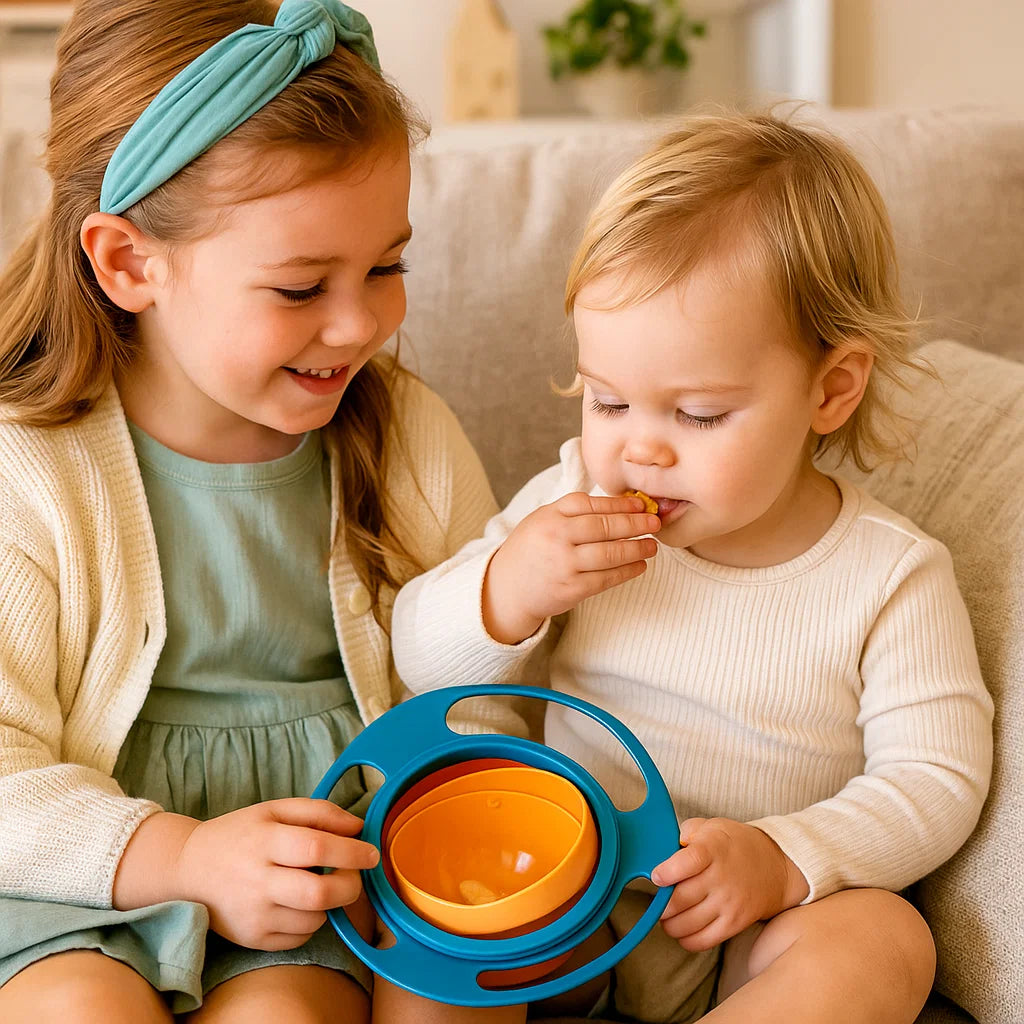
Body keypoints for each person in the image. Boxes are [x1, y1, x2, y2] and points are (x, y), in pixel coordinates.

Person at [391, 111, 995, 1024]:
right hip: (567, 893)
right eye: (608, 400)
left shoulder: (890, 576)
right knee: (433, 920)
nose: (640, 451)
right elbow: (417, 655)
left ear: (831, 389)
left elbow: (938, 780)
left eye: (700, 414)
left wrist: (789, 857)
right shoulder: (571, 501)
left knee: (885, 940)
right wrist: (505, 590)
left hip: (752, 927)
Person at [0, 2, 527, 1022]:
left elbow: (491, 698)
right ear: (127, 263)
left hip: (316, 896)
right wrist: (187, 855)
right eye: (298, 288)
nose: (359, 322)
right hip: (74, 880)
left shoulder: (405, 436)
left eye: (387, 266)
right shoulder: (31, 468)